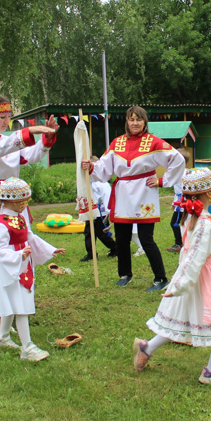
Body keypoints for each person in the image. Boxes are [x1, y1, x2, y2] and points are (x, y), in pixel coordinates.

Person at [132, 168, 211, 384]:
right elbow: (195, 257)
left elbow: (188, 253)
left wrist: (180, 281)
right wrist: (181, 283)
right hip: (206, 278)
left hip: (192, 277)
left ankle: (147, 348)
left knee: (182, 319)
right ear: (210, 194)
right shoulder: (204, 224)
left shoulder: (189, 218)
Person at [0, 94, 58, 318]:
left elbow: (31, 155)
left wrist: (46, 141)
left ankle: (19, 297)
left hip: (13, 200)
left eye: (8, 117)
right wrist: (30, 132)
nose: (6, 122)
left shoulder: (8, 140)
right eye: (2, 117)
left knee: (19, 243)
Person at [81, 105, 186, 292]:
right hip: (122, 194)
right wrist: (90, 167)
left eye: (138, 119)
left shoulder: (154, 142)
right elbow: (104, 169)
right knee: (121, 238)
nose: (135, 123)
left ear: (145, 122)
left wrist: (163, 181)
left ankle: (161, 278)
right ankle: (125, 274)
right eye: (131, 119)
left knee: (146, 239)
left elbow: (177, 160)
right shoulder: (117, 143)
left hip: (144, 193)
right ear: (127, 122)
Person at [0, 177, 66, 361]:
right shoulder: (1, 224)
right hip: (10, 268)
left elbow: (29, 236)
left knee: (14, 301)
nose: (25, 205)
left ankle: (3, 337)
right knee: (21, 306)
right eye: (23, 201)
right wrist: (18, 256)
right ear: (12, 201)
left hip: (22, 265)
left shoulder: (18, 217)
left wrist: (50, 249)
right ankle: (27, 348)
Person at [80, 156, 118, 262]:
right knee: (89, 232)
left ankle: (115, 248)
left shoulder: (102, 183)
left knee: (102, 234)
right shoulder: (89, 181)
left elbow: (107, 196)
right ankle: (91, 253)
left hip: (100, 213)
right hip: (91, 211)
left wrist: (107, 212)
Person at [167, 149, 192, 252]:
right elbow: (178, 192)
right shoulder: (182, 172)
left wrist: (180, 204)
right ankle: (185, 243)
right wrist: (174, 203)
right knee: (183, 223)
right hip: (181, 203)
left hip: (183, 204)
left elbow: (183, 191)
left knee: (175, 223)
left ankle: (179, 244)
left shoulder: (181, 174)